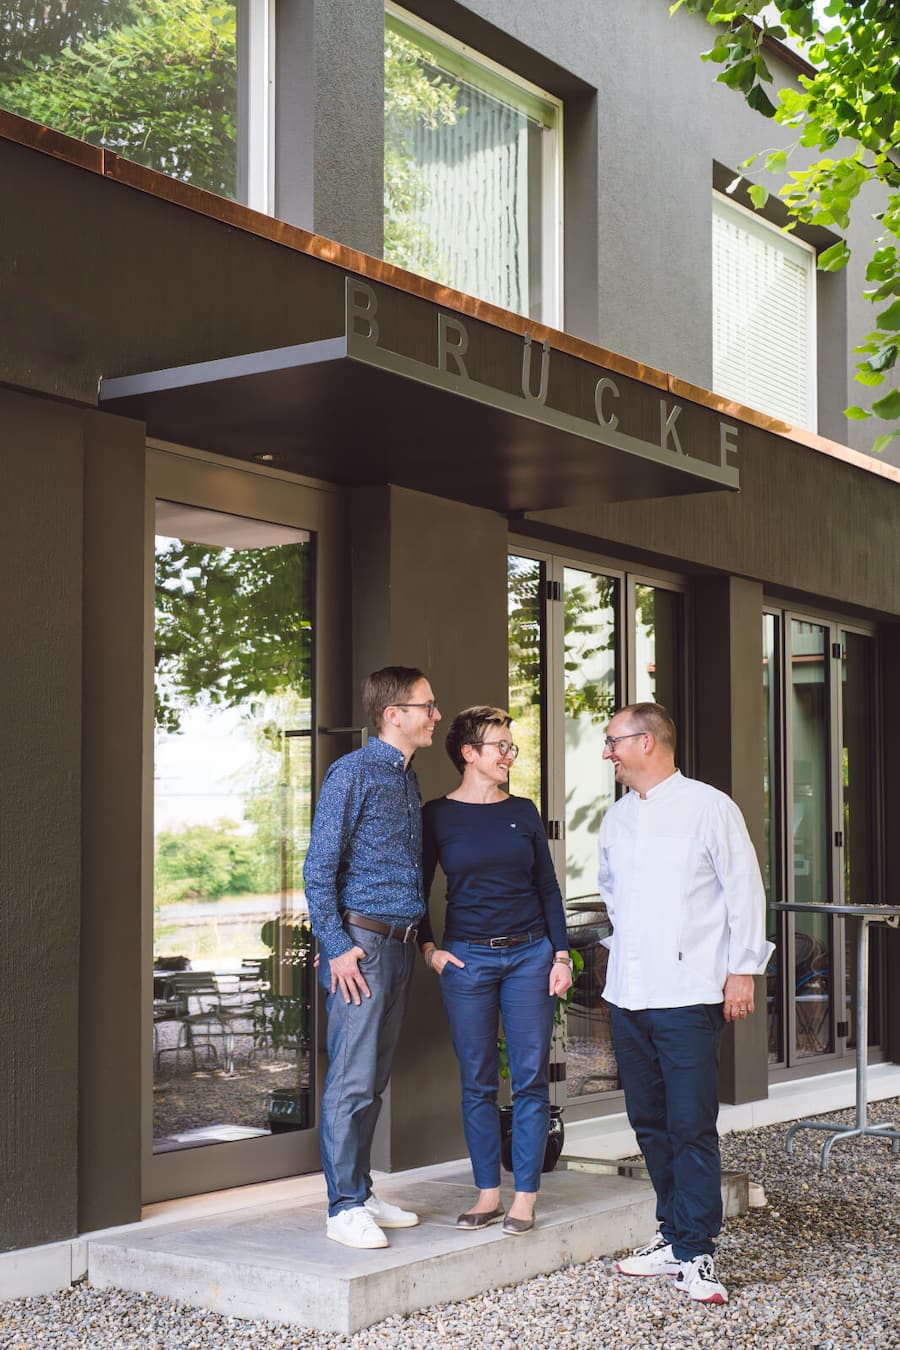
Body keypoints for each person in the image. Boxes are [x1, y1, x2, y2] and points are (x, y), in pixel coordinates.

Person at [598, 702, 773, 1305]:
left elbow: (744, 890)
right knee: (648, 1121)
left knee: (690, 1124)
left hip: (689, 992)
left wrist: (742, 969)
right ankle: (672, 1233)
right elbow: (613, 896)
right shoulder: (617, 818)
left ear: (647, 743)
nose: (607, 753)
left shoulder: (709, 807)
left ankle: (697, 1252)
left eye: (613, 741)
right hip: (628, 993)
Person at [420, 706, 573, 1236]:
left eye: (511, 746)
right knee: (477, 1083)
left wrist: (560, 954)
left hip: (531, 955)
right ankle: (487, 1193)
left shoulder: (524, 811)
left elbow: (548, 888)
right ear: (469, 754)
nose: (510, 754)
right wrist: (429, 949)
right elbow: (417, 888)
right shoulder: (436, 815)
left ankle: (524, 1197)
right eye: (500, 746)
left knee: (530, 1081)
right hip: (468, 960)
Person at [303, 665, 441, 1249]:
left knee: (374, 1078)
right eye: (427, 706)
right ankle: (341, 1209)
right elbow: (318, 869)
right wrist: (336, 949)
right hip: (362, 948)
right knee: (352, 1081)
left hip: (400, 945)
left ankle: (359, 1191)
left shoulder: (407, 779)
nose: (435, 715)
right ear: (394, 715)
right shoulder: (351, 773)